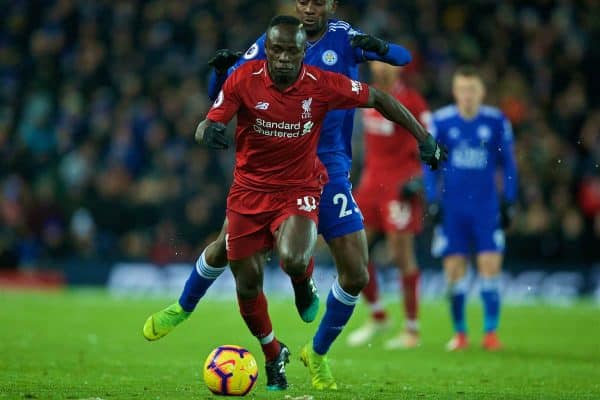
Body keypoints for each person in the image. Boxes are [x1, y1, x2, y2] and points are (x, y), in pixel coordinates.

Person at [143, 0, 424, 390]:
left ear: (331, 4)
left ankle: (317, 352)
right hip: (267, 171)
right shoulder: (270, 43)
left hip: (327, 168)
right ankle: (186, 306)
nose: (310, 8)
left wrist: (376, 46)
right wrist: (219, 78)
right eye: (303, 1)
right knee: (227, 248)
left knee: (352, 270)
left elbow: (401, 59)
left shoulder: (346, 39)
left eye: (317, 2)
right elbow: (228, 89)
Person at [425, 65, 518, 351]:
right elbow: (430, 165)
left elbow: (509, 164)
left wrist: (509, 200)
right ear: (455, 92)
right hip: (452, 209)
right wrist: (432, 200)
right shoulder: (440, 121)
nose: (467, 95)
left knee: (490, 267)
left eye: (472, 90)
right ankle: (461, 333)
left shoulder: (496, 121)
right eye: (462, 90)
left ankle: (490, 333)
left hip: (486, 208)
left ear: (482, 92)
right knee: (454, 271)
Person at [347, 62, 430, 350]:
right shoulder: (367, 95)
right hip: (371, 184)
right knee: (351, 248)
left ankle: (412, 329)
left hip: (399, 185)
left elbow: (430, 141)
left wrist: (420, 178)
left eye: (387, 64)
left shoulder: (412, 101)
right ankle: (378, 315)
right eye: (376, 62)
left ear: (398, 68)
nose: (381, 68)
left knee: (400, 254)